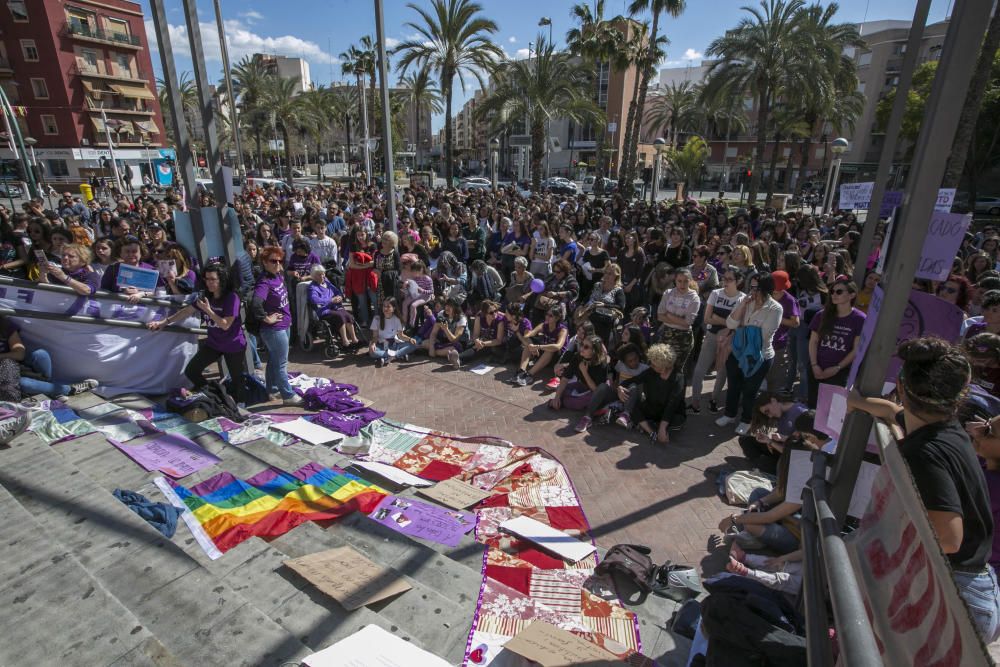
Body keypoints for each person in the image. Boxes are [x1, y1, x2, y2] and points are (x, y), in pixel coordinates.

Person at [849, 338, 1000, 643]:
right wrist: (857, 402)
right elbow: (892, 412)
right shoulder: (946, 427)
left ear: (903, 388)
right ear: (960, 396)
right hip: (974, 590)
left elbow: (948, 537)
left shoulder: (925, 453)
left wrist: (884, 537)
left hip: (955, 599)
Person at [148, 264, 247, 404]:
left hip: (234, 344)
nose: (209, 283)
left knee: (237, 378)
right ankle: (215, 395)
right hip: (214, 344)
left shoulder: (232, 297)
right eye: (207, 279)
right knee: (191, 371)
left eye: (213, 279)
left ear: (222, 280)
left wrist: (208, 311)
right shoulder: (205, 296)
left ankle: (241, 403)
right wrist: (164, 322)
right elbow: (187, 311)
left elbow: (225, 325)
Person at [717, 272, 783, 435]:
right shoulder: (743, 300)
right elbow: (731, 323)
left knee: (750, 390)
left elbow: (765, 334)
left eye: (756, 288)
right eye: (750, 287)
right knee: (733, 385)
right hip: (737, 352)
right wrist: (742, 307)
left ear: (766, 289)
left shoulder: (775, 308)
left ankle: (746, 420)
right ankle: (730, 414)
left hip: (759, 356)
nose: (752, 291)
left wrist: (742, 329)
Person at [0, 316, 98, 399]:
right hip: (6, 379)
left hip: (17, 366)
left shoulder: (4, 324)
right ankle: (70, 390)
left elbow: (19, 354)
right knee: (23, 383)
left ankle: (50, 390)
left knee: (41, 354)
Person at [690, 266, 744, 413]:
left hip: (728, 340)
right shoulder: (716, 293)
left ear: (738, 281)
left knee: (722, 371)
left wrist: (719, 319)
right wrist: (727, 322)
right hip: (712, 336)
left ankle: (713, 400)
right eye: (724, 278)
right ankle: (695, 403)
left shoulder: (742, 299)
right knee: (699, 370)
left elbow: (739, 324)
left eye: (729, 279)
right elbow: (707, 318)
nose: (725, 282)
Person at [251, 246, 300, 405]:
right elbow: (256, 304)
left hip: (284, 325)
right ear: (264, 262)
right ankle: (288, 395)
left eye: (280, 260)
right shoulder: (264, 282)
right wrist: (266, 318)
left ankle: (272, 389)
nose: (277, 264)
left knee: (274, 359)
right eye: (273, 261)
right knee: (281, 363)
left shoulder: (278, 276)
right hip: (274, 330)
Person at [807, 277, 865, 408]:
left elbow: (856, 349)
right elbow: (813, 341)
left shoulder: (860, 319)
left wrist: (838, 368)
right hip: (816, 366)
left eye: (839, 292)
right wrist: (814, 365)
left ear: (852, 295)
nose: (834, 294)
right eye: (832, 291)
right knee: (813, 406)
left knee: (829, 409)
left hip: (839, 372)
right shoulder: (821, 315)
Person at [614, 343, 686, 443]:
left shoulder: (678, 378)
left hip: (671, 412)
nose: (651, 366)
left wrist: (662, 427)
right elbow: (633, 380)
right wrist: (620, 388)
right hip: (653, 408)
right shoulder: (651, 371)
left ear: (663, 367)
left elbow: (672, 404)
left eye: (654, 365)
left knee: (677, 421)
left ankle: (652, 426)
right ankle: (651, 431)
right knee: (633, 405)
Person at [547, 334, 609, 425]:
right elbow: (565, 379)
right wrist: (557, 397)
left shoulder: (601, 364)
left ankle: (563, 403)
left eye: (586, 347)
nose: (582, 348)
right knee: (561, 390)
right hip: (582, 386)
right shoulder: (578, 357)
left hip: (595, 393)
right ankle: (561, 401)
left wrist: (584, 372)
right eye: (582, 345)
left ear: (594, 350)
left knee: (578, 401)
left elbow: (596, 390)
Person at [656, 268, 701, 371]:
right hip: (666, 332)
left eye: (686, 281)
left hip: (683, 337)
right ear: (675, 281)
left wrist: (669, 315)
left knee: (676, 369)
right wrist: (679, 320)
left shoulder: (694, 298)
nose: (682, 284)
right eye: (679, 281)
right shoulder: (668, 293)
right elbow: (659, 316)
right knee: (662, 366)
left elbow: (688, 322)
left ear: (690, 281)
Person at [306, 264, 359, 350]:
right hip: (324, 310)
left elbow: (337, 291)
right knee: (340, 316)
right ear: (314, 277)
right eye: (320, 274)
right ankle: (345, 342)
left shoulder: (327, 282)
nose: (323, 276)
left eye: (323, 273)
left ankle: (354, 340)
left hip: (335, 308)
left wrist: (340, 297)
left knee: (348, 315)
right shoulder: (312, 288)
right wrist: (331, 300)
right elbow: (314, 300)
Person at [514, 306, 568, 386]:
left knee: (550, 350)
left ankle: (529, 375)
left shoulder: (562, 330)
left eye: (550, 316)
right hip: (543, 353)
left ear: (557, 318)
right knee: (529, 344)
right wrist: (531, 346)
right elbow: (528, 336)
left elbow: (558, 346)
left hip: (556, 357)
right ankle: (521, 371)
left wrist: (538, 347)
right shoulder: (543, 325)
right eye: (547, 314)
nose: (547, 317)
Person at [455, 300, 507, 366]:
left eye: (496, 311)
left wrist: (483, 344)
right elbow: (475, 335)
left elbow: (499, 341)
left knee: (478, 349)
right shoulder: (479, 317)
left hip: (496, 345)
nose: (494, 314)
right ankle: (457, 359)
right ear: (485, 313)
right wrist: (477, 341)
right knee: (471, 346)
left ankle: (459, 358)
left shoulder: (500, 320)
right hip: (484, 340)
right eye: (491, 313)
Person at [368, 298, 405, 367]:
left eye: (388, 306)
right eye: (384, 306)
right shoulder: (377, 318)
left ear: (393, 308)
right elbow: (375, 336)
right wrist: (373, 344)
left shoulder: (397, 319)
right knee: (372, 352)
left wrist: (409, 340)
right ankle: (397, 355)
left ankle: (384, 357)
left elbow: (401, 336)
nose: (385, 308)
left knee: (412, 345)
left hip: (394, 344)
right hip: (381, 344)